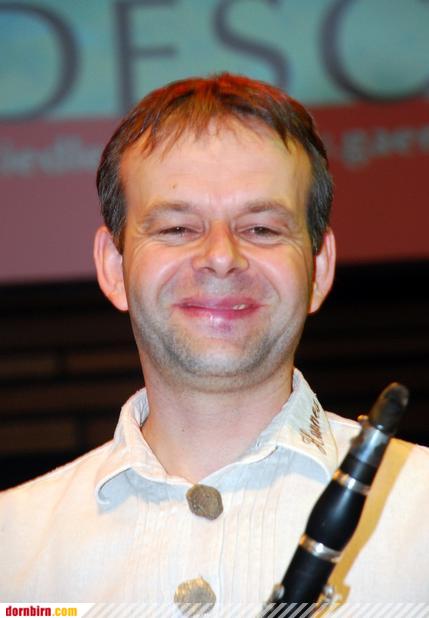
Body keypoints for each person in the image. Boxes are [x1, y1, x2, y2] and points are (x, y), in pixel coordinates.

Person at [1, 74, 428, 612]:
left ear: (319, 268)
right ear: (113, 267)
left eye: (262, 229)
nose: (221, 257)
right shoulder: (11, 545)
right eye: (177, 229)